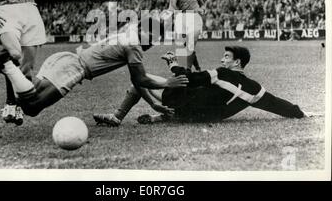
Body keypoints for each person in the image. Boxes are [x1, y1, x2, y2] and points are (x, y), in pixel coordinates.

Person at [0, 17, 189, 118]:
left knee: (30, 92)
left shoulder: (129, 32)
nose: (152, 42)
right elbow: (141, 79)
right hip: (75, 68)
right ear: (143, 31)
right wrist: (167, 82)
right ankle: (7, 65)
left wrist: (153, 104)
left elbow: (136, 79)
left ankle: (9, 67)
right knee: (32, 107)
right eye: (152, 36)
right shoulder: (134, 46)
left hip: (64, 59)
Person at [93, 46, 317, 126]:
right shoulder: (254, 88)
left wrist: (173, 65)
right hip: (206, 117)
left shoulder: (220, 73)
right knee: (193, 90)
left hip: (183, 105)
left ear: (237, 62)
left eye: (226, 56)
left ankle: (118, 116)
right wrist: (300, 113)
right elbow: (275, 104)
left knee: (139, 79)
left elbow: (191, 79)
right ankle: (164, 116)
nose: (222, 60)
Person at [167, 0, 205, 71]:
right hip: (181, 19)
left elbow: (202, 3)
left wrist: (202, 10)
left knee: (190, 44)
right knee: (184, 45)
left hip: (195, 18)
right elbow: (172, 6)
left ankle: (187, 69)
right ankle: (197, 67)